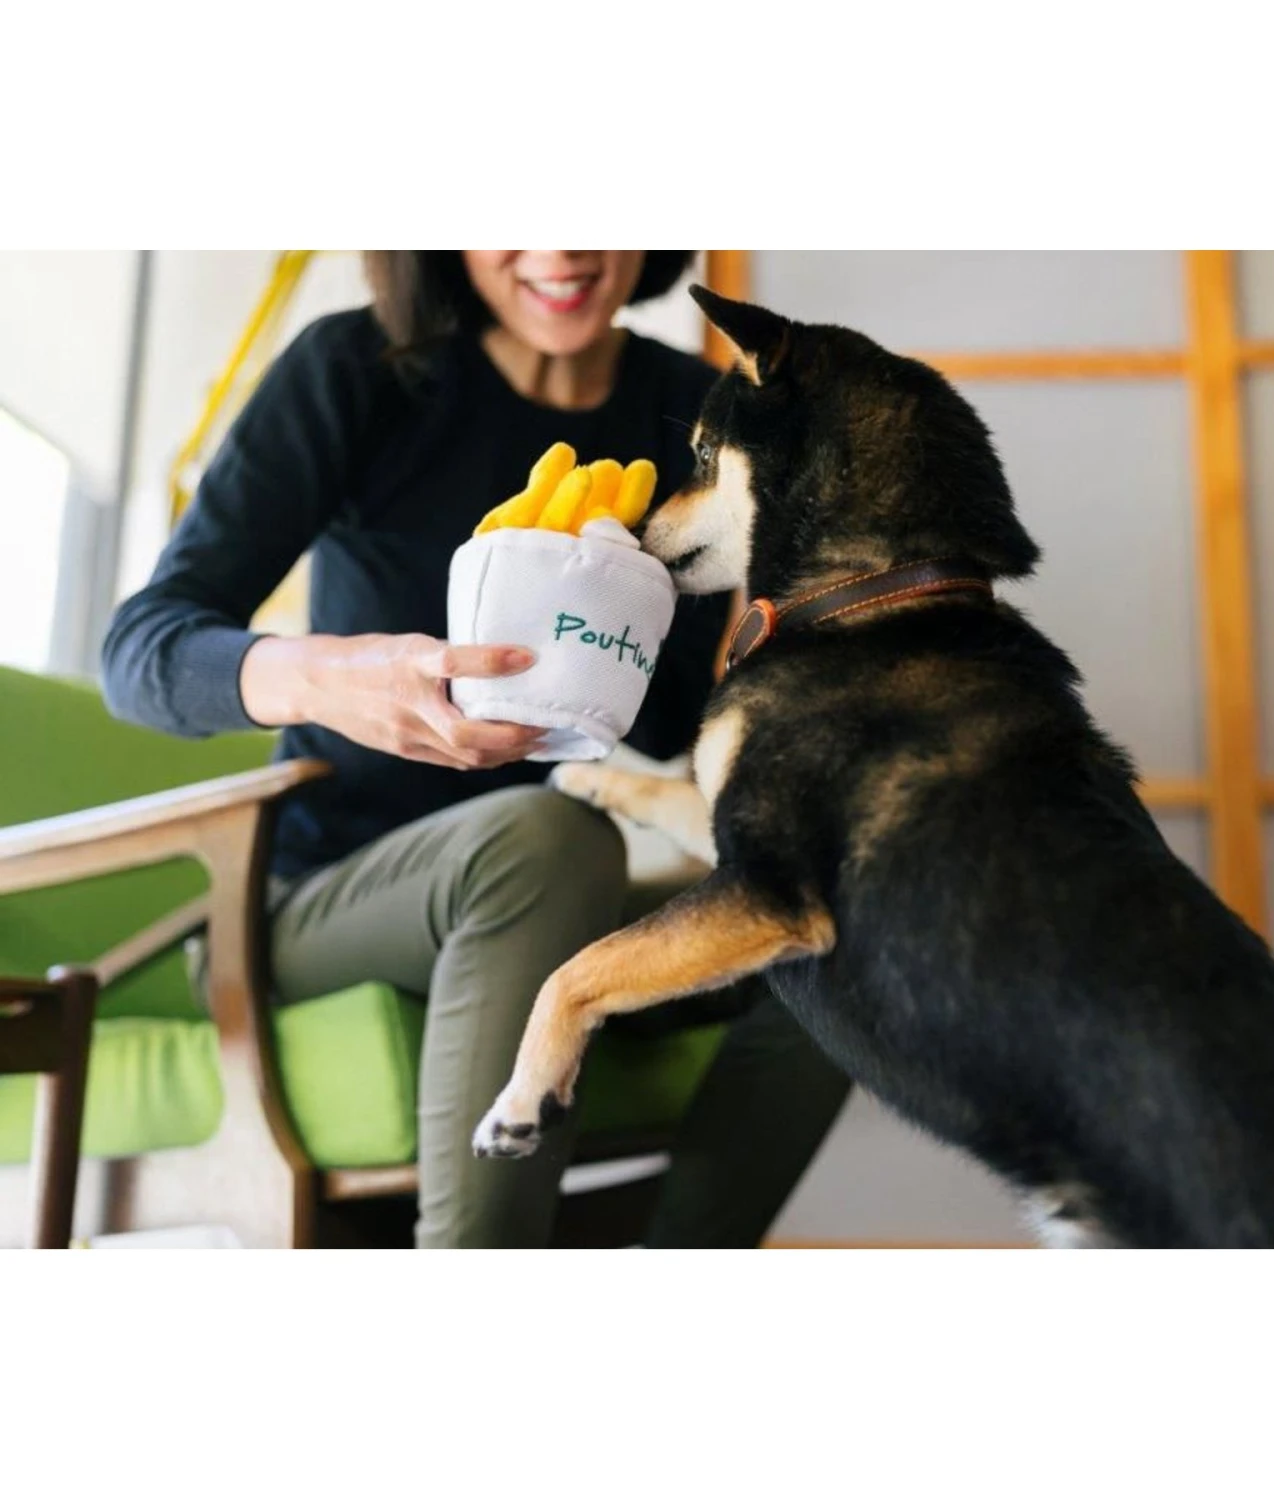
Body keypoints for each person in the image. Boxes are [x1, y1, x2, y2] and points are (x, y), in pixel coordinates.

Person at [102, 250, 850, 1247]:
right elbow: (139, 652)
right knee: (548, 838)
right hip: (315, 898)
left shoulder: (689, 411)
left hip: (548, 894)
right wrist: (327, 676)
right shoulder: (361, 370)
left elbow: (667, 720)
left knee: (832, 918)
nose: (561, 250)